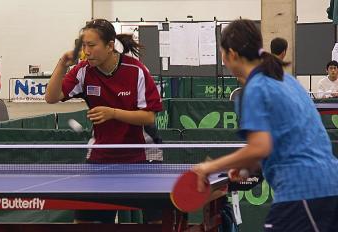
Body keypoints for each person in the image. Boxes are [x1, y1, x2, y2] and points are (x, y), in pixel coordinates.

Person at [192, 19, 338, 232]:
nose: (223, 61)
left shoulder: (256, 87)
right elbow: (291, 140)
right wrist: (248, 166)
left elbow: (259, 147)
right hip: (329, 185)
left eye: (222, 54)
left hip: (303, 191)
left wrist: (209, 167)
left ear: (231, 54)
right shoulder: (286, 80)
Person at [45, 18, 163, 223]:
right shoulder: (83, 71)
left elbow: (149, 116)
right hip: (102, 156)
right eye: (83, 46)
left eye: (91, 45)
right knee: (84, 223)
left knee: (158, 223)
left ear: (110, 46)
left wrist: (113, 113)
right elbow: (51, 98)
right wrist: (62, 64)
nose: (86, 51)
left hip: (143, 156)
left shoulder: (135, 70)